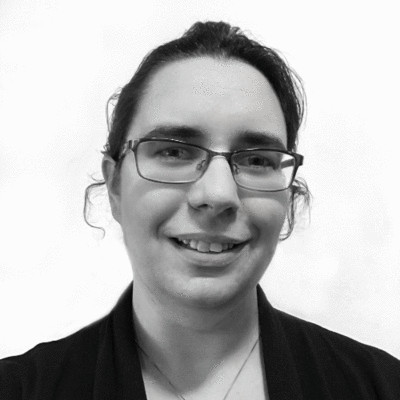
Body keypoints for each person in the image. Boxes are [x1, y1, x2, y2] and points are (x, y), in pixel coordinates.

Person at [1, 20, 399, 400]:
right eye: (174, 152)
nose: (219, 194)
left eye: (257, 159)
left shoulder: (382, 386)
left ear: (289, 198)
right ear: (115, 185)